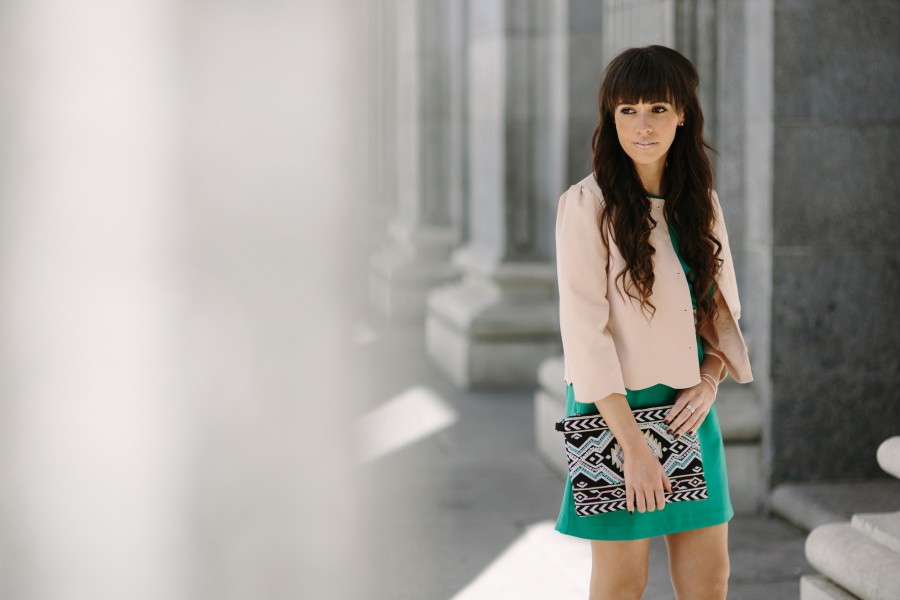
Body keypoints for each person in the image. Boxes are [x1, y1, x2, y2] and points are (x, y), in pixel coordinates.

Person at [553, 45, 754, 599]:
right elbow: (585, 336)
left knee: (709, 581)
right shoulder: (586, 205)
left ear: (682, 113)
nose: (643, 125)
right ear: (611, 117)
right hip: (612, 410)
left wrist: (709, 381)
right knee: (622, 584)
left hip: (688, 409)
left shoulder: (701, 202)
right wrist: (635, 449)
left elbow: (722, 313)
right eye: (629, 110)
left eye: (658, 109)